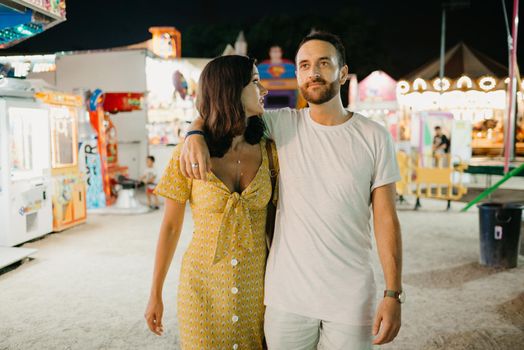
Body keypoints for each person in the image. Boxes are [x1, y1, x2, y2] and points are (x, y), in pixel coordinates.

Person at [180, 31, 403, 349]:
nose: (313, 72)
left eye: (324, 63)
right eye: (304, 65)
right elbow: (224, 110)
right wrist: (194, 132)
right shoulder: (280, 126)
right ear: (297, 74)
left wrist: (393, 293)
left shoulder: (374, 136)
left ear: (342, 72)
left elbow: (386, 220)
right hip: (287, 299)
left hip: (351, 296)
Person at [144, 55, 278, 350]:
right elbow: (169, 227)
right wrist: (155, 292)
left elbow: (274, 225)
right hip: (201, 286)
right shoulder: (188, 152)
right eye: (255, 81)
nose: (264, 89)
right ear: (231, 90)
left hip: (257, 288)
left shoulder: (271, 150)